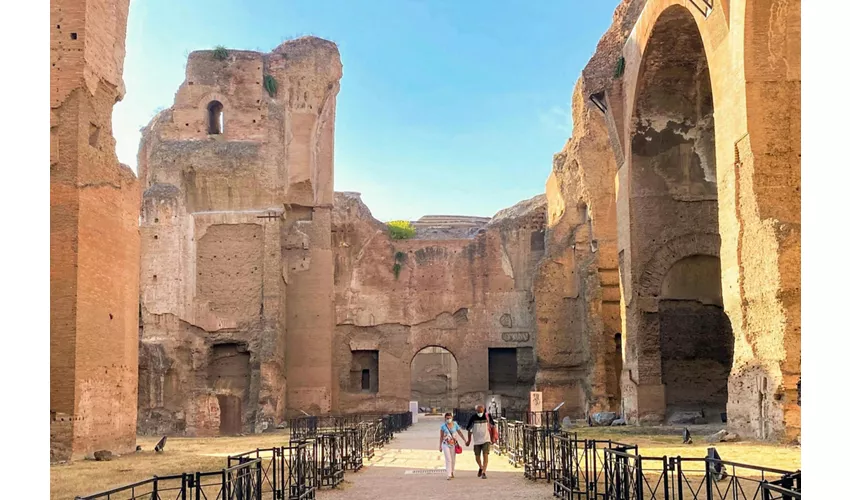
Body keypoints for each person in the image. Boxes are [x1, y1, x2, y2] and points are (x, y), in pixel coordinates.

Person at [464, 404, 496, 479]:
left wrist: (493, 437)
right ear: (476, 411)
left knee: (485, 455)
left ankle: (484, 472)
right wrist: (469, 440)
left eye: (481, 411)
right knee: (477, 457)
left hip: (486, 439)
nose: (480, 413)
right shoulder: (473, 417)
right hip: (477, 440)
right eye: (478, 411)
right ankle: (481, 467)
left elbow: (493, 426)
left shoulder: (487, 416)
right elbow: (469, 429)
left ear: (484, 410)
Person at [439, 412, 462, 480]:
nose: (448, 419)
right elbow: (441, 436)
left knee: (453, 459)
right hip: (445, 444)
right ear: (445, 419)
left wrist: (464, 440)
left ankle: (451, 471)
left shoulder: (455, 425)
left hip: (453, 444)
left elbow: (459, 432)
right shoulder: (443, 426)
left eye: (449, 418)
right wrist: (440, 446)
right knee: (448, 459)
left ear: (452, 418)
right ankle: (448, 474)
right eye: (447, 418)